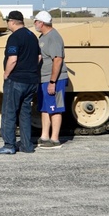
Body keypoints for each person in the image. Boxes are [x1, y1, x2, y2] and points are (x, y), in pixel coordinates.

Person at [0, 11, 40, 155]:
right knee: (25, 114)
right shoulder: (32, 36)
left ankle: (9, 145)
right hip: (31, 81)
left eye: (8, 22)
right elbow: (38, 57)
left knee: (9, 112)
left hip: (16, 80)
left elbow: (12, 59)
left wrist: (6, 74)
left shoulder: (14, 37)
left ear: (12, 22)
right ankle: (27, 145)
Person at [34, 10, 68, 149]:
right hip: (44, 78)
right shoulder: (43, 37)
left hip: (54, 79)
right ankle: (44, 136)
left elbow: (57, 60)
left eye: (36, 21)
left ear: (41, 23)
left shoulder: (53, 37)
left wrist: (53, 82)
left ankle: (54, 139)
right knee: (44, 108)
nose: (34, 24)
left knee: (54, 108)